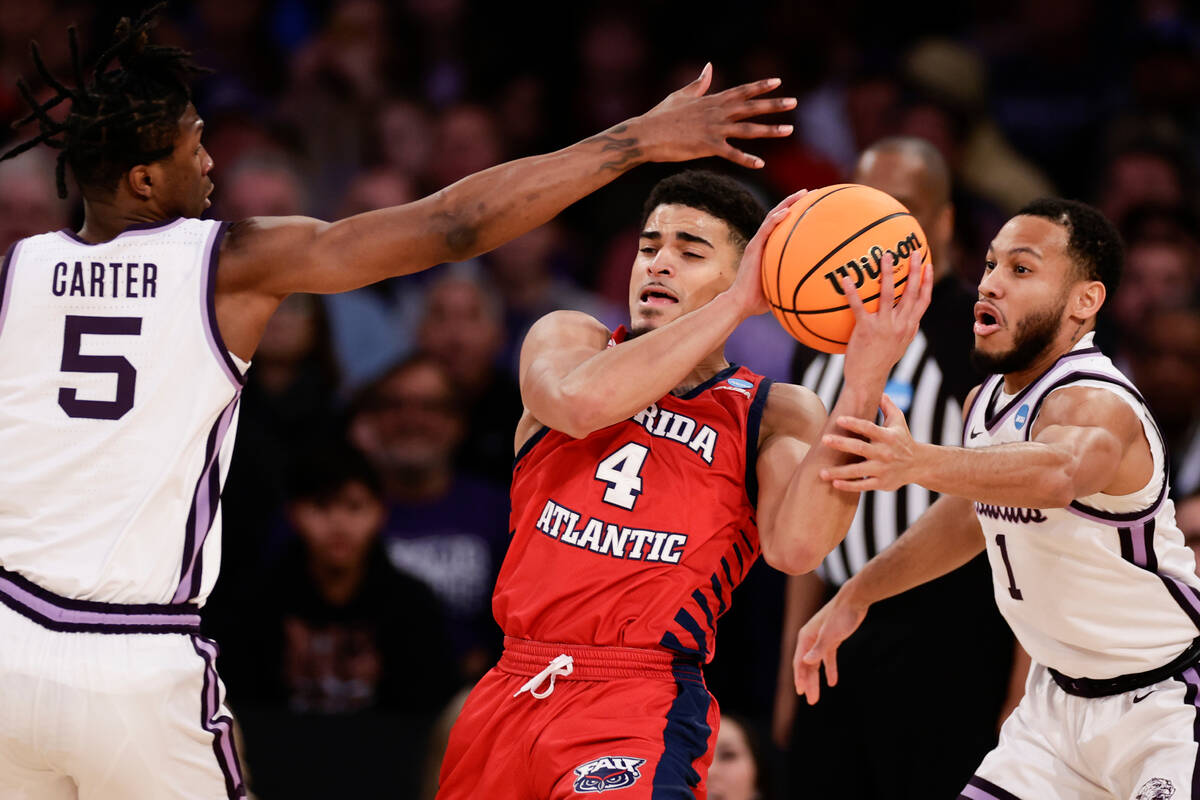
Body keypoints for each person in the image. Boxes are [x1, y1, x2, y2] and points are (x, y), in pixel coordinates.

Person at [0, 8, 798, 798]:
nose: (211, 165)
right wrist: (633, 143)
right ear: (144, 180)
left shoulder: (14, 273)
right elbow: (451, 225)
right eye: (193, 147)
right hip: (129, 656)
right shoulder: (224, 262)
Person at [436, 169, 932, 799]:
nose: (659, 264)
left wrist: (863, 380)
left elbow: (797, 548)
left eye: (691, 252)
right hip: (512, 682)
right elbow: (578, 403)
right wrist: (734, 304)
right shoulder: (569, 338)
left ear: (753, 277)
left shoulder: (775, 412)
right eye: (649, 248)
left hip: (636, 702)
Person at [794, 198, 1200, 799]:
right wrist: (860, 592)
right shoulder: (984, 403)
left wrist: (915, 461)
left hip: (1166, 704)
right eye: (989, 265)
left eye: (1021, 270)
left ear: (1085, 302)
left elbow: (1057, 474)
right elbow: (967, 514)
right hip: (1055, 708)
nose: (991, 284)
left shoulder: (1096, 402)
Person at [773, 137, 1016, 799]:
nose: (879, 230)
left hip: (952, 630)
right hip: (832, 627)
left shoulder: (979, 332)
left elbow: (1032, 516)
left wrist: (1020, 692)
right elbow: (805, 516)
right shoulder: (817, 341)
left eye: (901, 210)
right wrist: (783, 682)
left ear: (940, 225)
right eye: (867, 206)